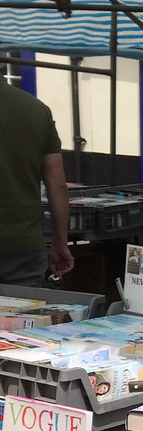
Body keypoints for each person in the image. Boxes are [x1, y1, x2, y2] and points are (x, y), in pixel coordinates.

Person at [0, 79, 74, 286]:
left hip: (23, 248)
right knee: (20, 318)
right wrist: (61, 243)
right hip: (24, 244)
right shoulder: (36, 110)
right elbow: (57, 184)